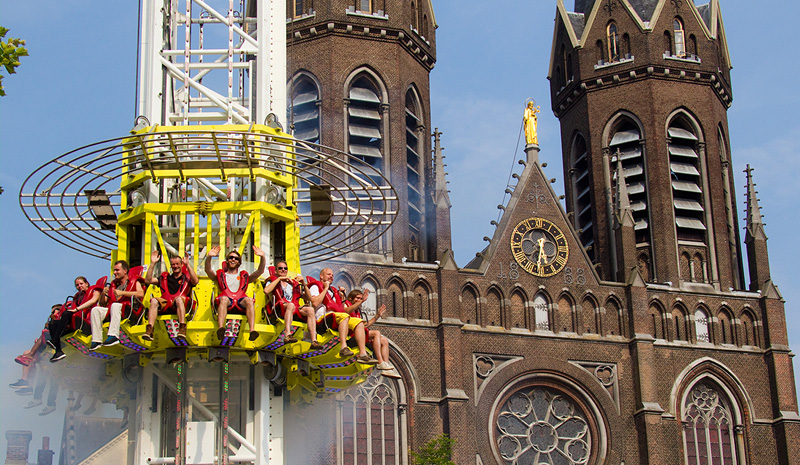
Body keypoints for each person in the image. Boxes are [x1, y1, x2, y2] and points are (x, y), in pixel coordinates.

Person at [307, 268, 377, 364]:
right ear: (321, 276)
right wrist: (325, 288)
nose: (331, 276)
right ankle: (343, 347)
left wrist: (342, 297)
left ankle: (363, 354)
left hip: (337, 316)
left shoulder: (334, 291)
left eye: (332, 275)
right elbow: (315, 303)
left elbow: (342, 308)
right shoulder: (315, 286)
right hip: (323, 318)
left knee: (358, 322)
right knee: (344, 317)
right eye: (328, 274)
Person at [204, 245, 266, 341]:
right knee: (224, 299)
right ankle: (221, 328)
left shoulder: (244, 277)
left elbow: (259, 271)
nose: (233, 259)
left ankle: (252, 330)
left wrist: (262, 257)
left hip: (240, 300)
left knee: (249, 300)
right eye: (231, 257)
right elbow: (208, 270)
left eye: (236, 258)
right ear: (227, 260)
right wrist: (209, 257)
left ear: (239, 262)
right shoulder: (221, 275)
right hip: (227, 300)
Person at [263, 260, 322, 349]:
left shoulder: (292, 283)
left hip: (294, 307)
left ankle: (314, 340)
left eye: (285, 268)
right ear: (276, 271)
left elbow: (309, 298)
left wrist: (304, 284)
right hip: (280, 306)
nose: (283, 270)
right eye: (280, 268)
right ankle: (287, 334)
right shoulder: (273, 280)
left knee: (310, 310)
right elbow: (266, 290)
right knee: (290, 305)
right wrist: (279, 279)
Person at [142, 250, 199, 341]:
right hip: (166, 302)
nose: (175, 266)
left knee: (179, 300)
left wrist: (188, 265)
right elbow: (148, 281)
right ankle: (150, 329)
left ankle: (182, 327)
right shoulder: (165, 278)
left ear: (181, 265)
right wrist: (153, 264)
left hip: (179, 302)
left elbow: (195, 281)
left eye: (177, 264)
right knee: (154, 301)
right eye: (173, 264)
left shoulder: (186, 278)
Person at [345, 289, 401, 379]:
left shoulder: (357, 312)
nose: (359, 300)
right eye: (357, 298)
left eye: (360, 298)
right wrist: (362, 300)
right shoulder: (346, 304)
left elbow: (364, 325)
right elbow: (347, 311)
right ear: (351, 298)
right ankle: (380, 362)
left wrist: (377, 316)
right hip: (349, 337)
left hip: (359, 335)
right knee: (376, 333)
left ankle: (386, 367)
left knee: (384, 341)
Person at [90, 261, 144, 350]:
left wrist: (122, 293)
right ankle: (96, 340)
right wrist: (103, 293)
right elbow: (103, 302)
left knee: (115, 305)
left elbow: (141, 293)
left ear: (125, 271)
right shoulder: (115, 285)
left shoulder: (134, 281)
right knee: (95, 310)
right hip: (114, 311)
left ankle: (113, 336)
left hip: (129, 311)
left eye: (117, 270)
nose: (115, 273)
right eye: (114, 270)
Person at [51, 278, 103, 361]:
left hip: (88, 324)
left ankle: (55, 340)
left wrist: (76, 309)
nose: (79, 286)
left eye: (81, 284)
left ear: (86, 283)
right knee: (53, 324)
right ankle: (58, 351)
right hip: (77, 322)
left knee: (66, 314)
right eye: (77, 285)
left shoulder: (94, 291)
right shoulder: (78, 297)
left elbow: (93, 301)